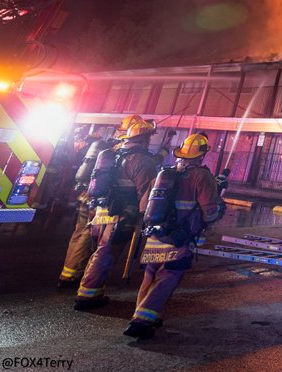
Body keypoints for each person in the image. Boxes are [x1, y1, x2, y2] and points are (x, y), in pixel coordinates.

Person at [124, 133, 223, 339]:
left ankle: (148, 315)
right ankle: (141, 321)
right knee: (168, 278)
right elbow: (209, 211)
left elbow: (146, 204)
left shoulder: (165, 173)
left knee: (149, 277)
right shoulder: (202, 176)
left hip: (155, 236)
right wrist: (220, 206)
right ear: (202, 155)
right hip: (179, 238)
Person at [73, 118, 159, 310]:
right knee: (106, 253)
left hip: (102, 211)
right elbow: (144, 192)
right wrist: (145, 217)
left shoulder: (114, 153)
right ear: (144, 137)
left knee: (100, 251)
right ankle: (87, 295)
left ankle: (91, 290)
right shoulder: (143, 160)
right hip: (121, 216)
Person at [57, 115, 143, 289]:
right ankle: (75, 277)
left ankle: (69, 272)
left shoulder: (105, 145)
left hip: (85, 194)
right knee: (90, 238)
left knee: (79, 233)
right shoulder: (121, 150)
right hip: (99, 200)